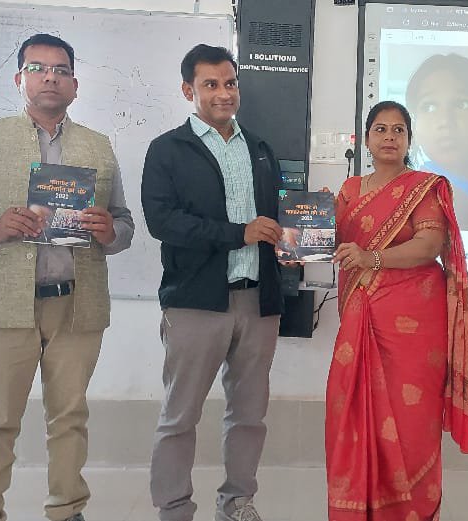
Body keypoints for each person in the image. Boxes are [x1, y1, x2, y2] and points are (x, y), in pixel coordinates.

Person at [0, 33, 135, 521]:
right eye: (38, 68)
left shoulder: (98, 146)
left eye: (61, 70)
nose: (51, 77)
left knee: (69, 418)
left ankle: (66, 509)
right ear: (19, 79)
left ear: (75, 84)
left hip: (77, 304)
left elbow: (124, 224)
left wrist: (110, 231)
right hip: (5, 303)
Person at [141, 44, 284, 521]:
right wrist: (237, 234)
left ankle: (237, 502)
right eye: (211, 84)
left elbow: (273, 220)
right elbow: (163, 222)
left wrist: (306, 227)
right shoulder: (167, 149)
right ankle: (174, 508)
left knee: (249, 415)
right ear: (189, 90)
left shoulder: (259, 149)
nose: (224, 93)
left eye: (230, 83)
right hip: (195, 302)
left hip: (256, 301)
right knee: (179, 416)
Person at [324, 100, 468, 521]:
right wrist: (307, 226)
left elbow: (429, 245)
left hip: (414, 322)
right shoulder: (350, 191)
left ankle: (411, 510)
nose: (389, 137)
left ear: (409, 140)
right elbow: (331, 243)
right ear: (366, 139)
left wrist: (372, 258)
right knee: (352, 410)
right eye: (380, 129)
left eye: (398, 130)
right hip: (362, 315)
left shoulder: (425, 187)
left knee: (412, 422)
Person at [406, 53, 468, 230]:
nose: (445, 120)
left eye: (462, 104)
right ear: (414, 128)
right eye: (429, 106)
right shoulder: (411, 195)